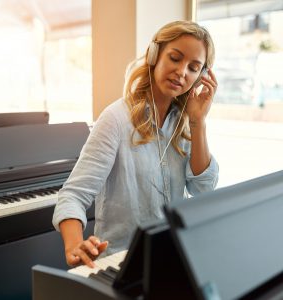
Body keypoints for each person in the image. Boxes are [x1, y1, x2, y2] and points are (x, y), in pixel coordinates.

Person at [52, 20, 219, 268]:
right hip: (123, 261)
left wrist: (199, 122)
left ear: (201, 77)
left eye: (193, 68)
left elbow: (203, 189)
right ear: (154, 55)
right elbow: (73, 196)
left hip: (173, 255)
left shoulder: (184, 123)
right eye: (175, 58)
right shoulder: (116, 119)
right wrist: (74, 244)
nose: (182, 72)